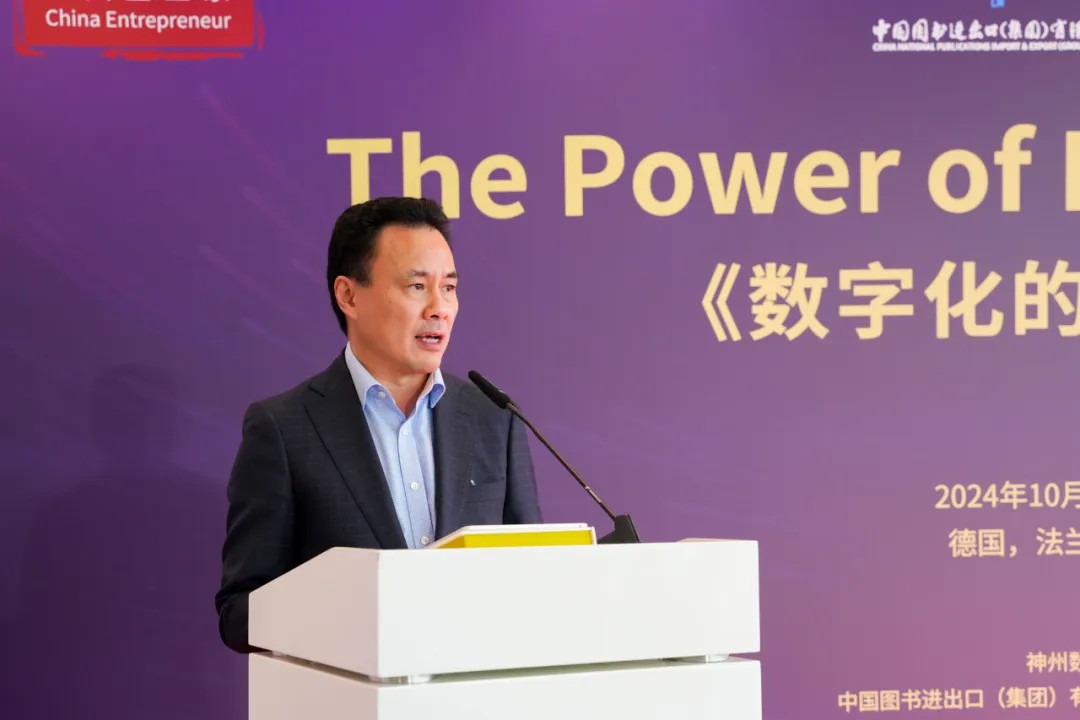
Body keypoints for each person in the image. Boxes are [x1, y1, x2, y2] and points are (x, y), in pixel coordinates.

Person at [214, 197, 542, 653]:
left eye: (449, 287)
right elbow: (240, 614)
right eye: (416, 286)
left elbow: (536, 579)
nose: (440, 308)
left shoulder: (494, 418)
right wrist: (355, 608)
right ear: (349, 295)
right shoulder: (284, 429)